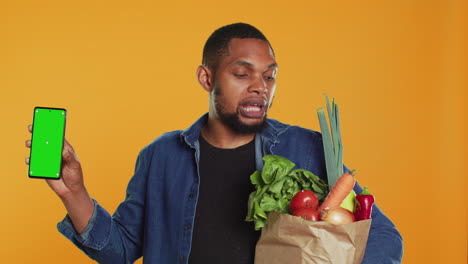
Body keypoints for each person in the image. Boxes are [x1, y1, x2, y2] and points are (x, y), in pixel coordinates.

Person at [25, 23, 403, 264]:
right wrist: (74, 193)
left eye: (270, 77)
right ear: (206, 78)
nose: (260, 87)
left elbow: (384, 238)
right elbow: (120, 250)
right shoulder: (160, 157)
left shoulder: (306, 149)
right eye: (242, 74)